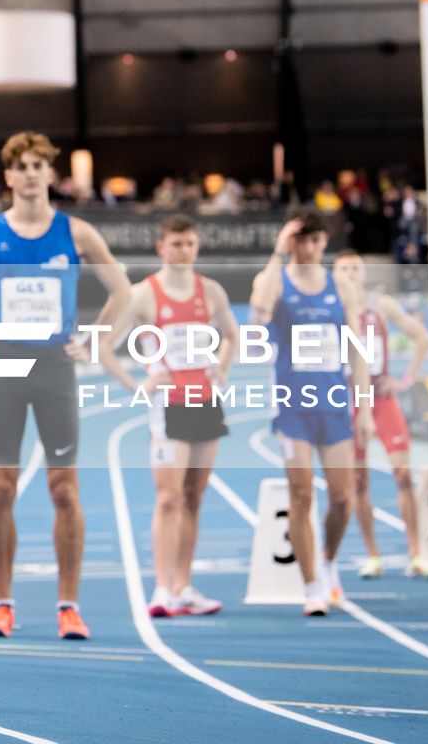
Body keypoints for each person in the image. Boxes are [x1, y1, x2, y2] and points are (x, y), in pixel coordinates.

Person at [0, 132, 133, 641]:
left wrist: (93, 339)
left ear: (51, 174)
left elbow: (122, 288)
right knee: (1, 487)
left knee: (63, 488)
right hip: (2, 367)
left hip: (55, 367)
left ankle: (68, 605)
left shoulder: (78, 233)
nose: (31, 173)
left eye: (40, 164)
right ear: (9, 176)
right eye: (21, 165)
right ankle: (2, 604)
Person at [99, 215, 237, 618]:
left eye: (190, 243)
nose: (184, 251)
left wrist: (223, 368)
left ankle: (184, 585)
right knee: (169, 498)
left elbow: (232, 334)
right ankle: (161, 590)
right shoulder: (144, 295)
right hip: (168, 406)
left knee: (194, 498)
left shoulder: (210, 292)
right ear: (161, 247)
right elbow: (105, 345)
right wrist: (137, 384)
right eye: (176, 244)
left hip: (206, 400)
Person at [248, 213, 374, 616]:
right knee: (300, 495)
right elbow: (258, 312)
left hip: (334, 404)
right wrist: (277, 252)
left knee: (342, 498)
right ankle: (312, 586)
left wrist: (365, 407)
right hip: (293, 407)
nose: (310, 248)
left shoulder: (342, 287)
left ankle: (329, 562)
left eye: (317, 241)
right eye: (303, 240)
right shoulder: (277, 280)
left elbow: (356, 351)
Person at [333, 250, 428, 578]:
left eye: (355, 268)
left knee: (403, 473)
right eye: (343, 269)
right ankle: (373, 555)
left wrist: (406, 379)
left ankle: (415, 553)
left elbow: (423, 338)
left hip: (382, 397)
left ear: (363, 273)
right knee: (358, 482)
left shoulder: (382, 305)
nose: (349, 274)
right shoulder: (329, 309)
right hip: (348, 401)